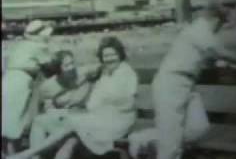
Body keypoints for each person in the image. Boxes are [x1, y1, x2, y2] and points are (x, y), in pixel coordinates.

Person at [151, 1, 236, 159]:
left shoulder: (197, 31)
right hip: (171, 84)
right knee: (169, 146)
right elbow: (217, 50)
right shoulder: (200, 29)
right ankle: (160, 140)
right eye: (221, 24)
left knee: (198, 127)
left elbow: (205, 56)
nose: (219, 29)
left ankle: (158, 138)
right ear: (215, 19)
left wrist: (217, 63)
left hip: (185, 85)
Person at [8, 36, 139, 159]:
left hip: (115, 122)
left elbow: (127, 103)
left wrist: (98, 107)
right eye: (106, 56)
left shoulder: (127, 73)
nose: (109, 59)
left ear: (120, 55)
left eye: (113, 55)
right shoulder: (105, 72)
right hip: (98, 118)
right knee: (49, 126)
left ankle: (27, 155)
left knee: (72, 128)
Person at [29, 50, 96, 159]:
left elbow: (101, 67)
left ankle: (32, 154)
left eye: (72, 63)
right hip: (62, 120)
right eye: (66, 65)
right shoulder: (49, 86)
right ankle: (35, 157)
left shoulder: (83, 73)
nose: (71, 67)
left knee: (66, 143)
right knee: (39, 121)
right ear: (58, 69)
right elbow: (49, 109)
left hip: (82, 119)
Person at [2, 20, 55, 156]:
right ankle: (14, 154)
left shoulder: (22, 45)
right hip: (21, 81)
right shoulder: (39, 47)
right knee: (17, 119)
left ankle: (9, 153)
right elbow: (50, 66)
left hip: (8, 79)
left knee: (9, 118)